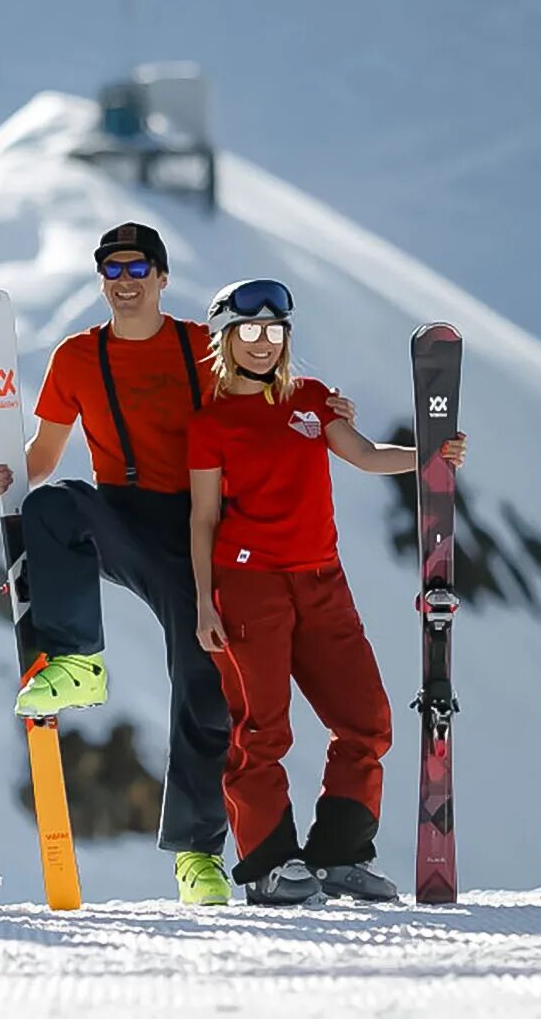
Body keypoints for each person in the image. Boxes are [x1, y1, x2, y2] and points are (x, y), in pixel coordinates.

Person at [0, 221, 355, 907]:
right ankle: (77, 662)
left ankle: (197, 856)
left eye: (137, 270)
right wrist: (10, 475)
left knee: (206, 685)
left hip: (199, 529)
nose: (124, 283)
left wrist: (326, 409)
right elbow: (45, 455)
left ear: (162, 278)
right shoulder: (75, 359)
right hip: (124, 515)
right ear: (101, 280)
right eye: (112, 271)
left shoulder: (199, 350)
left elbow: (262, 393)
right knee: (54, 506)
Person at [186, 278, 465, 905]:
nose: (263, 343)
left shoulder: (311, 402)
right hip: (248, 586)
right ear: (224, 339)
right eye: (249, 332)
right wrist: (205, 601)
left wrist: (430, 456)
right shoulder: (209, 425)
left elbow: (364, 456)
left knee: (367, 720)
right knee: (261, 731)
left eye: (274, 332)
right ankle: (267, 864)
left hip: (322, 581)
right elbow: (202, 518)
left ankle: (339, 855)